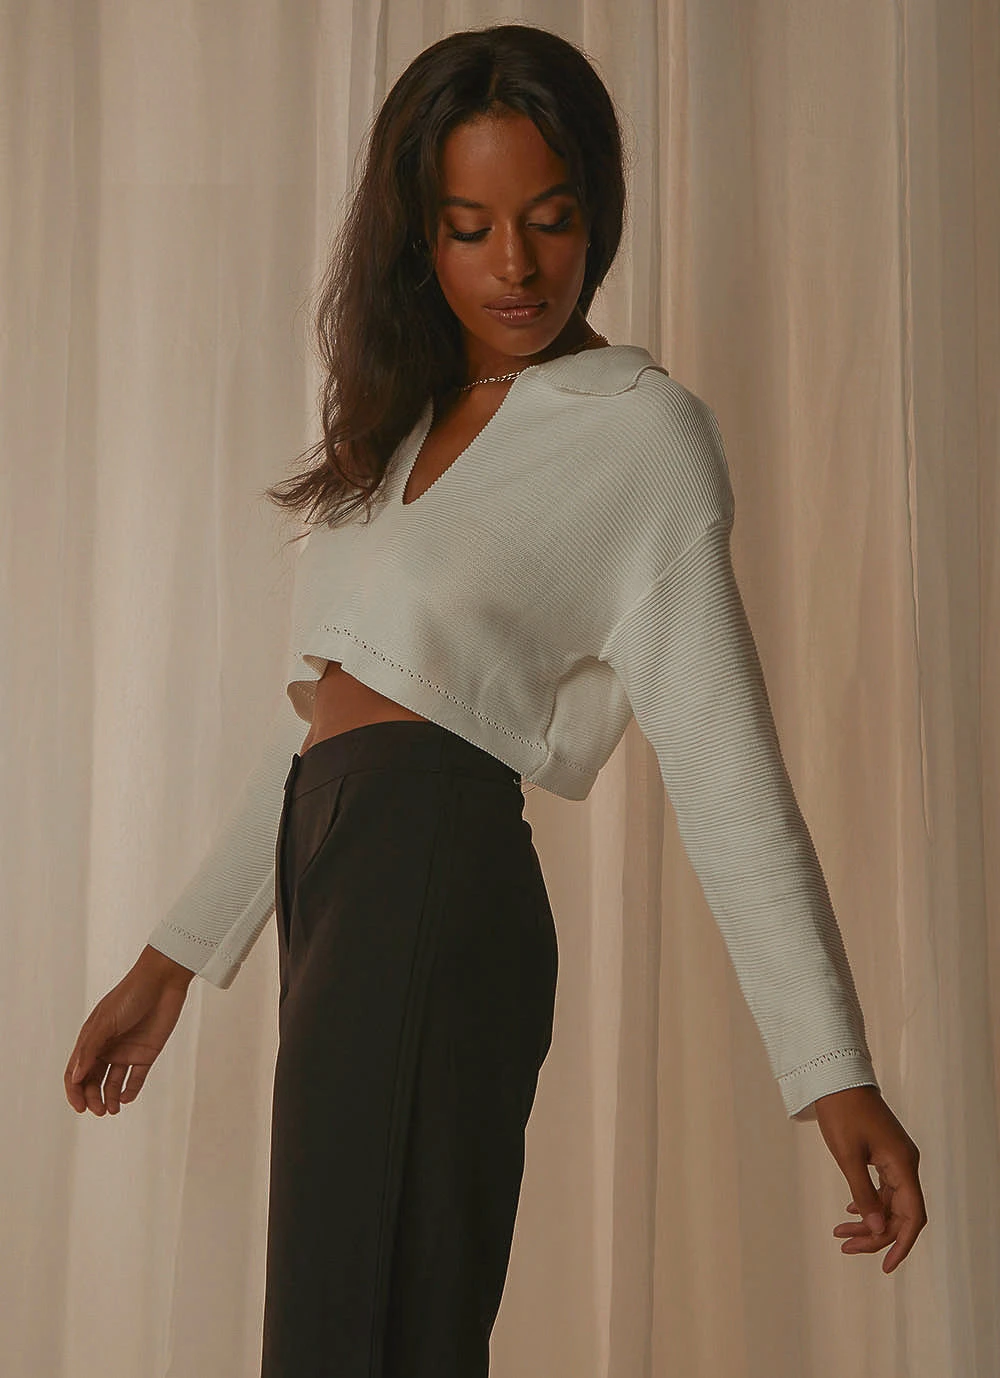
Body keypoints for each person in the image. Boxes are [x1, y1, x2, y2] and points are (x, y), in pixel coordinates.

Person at [63, 20, 928, 1378]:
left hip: (434, 875)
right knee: (341, 1325)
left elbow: (728, 770)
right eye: (470, 229)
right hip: (338, 879)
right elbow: (328, 723)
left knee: (367, 1332)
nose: (515, 265)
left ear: (600, 213)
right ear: (420, 236)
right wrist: (172, 958)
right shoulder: (404, 425)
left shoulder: (639, 431)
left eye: (550, 219)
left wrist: (833, 1070)